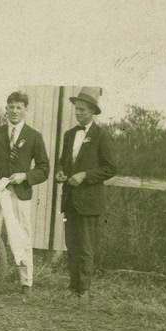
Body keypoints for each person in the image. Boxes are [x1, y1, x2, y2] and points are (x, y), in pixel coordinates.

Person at [0, 91, 50, 297]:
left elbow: (44, 168)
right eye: (11, 107)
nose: (14, 111)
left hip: (20, 194)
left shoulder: (34, 136)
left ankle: (26, 283)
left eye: (19, 107)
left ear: (25, 110)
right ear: (6, 109)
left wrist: (25, 176)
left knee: (22, 237)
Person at [55, 87, 116, 300]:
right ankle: (73, 288)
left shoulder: (101, 136)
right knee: (71, 244)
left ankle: (84, 290)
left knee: (86, 246)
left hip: (90, 201)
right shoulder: (69, 135)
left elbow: (110, 168)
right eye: (76, 109)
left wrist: (85, 175)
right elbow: (63, 163)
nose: (78, 113)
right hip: (70, 199)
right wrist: (62, 173)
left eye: (82, 109)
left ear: (92, 111)